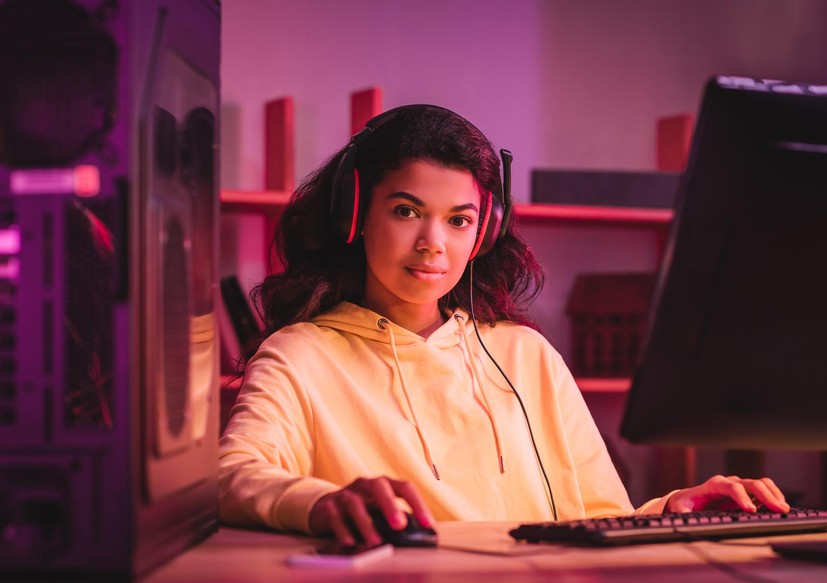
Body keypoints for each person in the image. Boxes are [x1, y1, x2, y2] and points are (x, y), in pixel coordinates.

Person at [218, 105, 789, 547]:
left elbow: (598, 520)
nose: (432, 245)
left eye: (458, 220)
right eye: (406, 211)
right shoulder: (299, 355)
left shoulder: (525, 356)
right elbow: (231, 476)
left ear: (483, 233)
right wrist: (319, 502)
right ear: (355, 215)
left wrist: (670, 511)